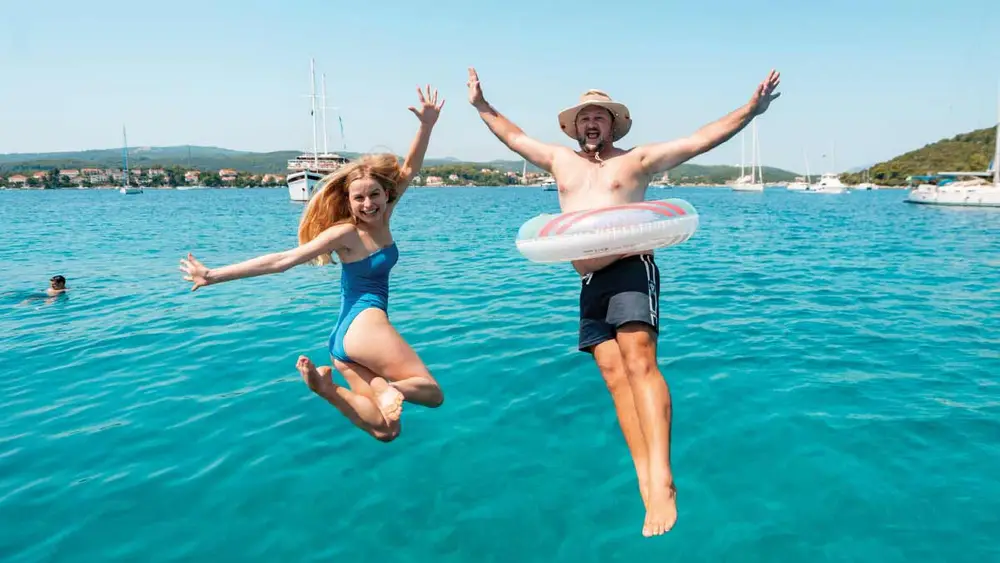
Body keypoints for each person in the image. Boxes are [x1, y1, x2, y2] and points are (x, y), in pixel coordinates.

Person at [467, 67, 781, 536]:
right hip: (589, 280)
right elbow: (513, 136)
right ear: (575, 128)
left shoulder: (637, 161)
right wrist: (480, 105)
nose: (591, 123)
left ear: (613, 124)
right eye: (584, 118)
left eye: (600, 117)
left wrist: (751, 110)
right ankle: (644, 476)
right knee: (614, 378)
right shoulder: (559, 161)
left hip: (633, 267)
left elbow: (700, 140)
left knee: (639, 363)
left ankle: (664, 478)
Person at [180, 86, 447, 443]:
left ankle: (325, 388)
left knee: (387, 430)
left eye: (374, 195)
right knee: (431, 392)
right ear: (348, 202)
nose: (368, 204)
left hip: (343, 342)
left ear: (386, 194)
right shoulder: (345, 232)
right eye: (359, 198)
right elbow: (283, 260)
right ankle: (385, 387)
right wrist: (213, 275)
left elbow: (410, 167)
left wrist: (426, 126)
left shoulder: (384, 215)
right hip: (365, 326)